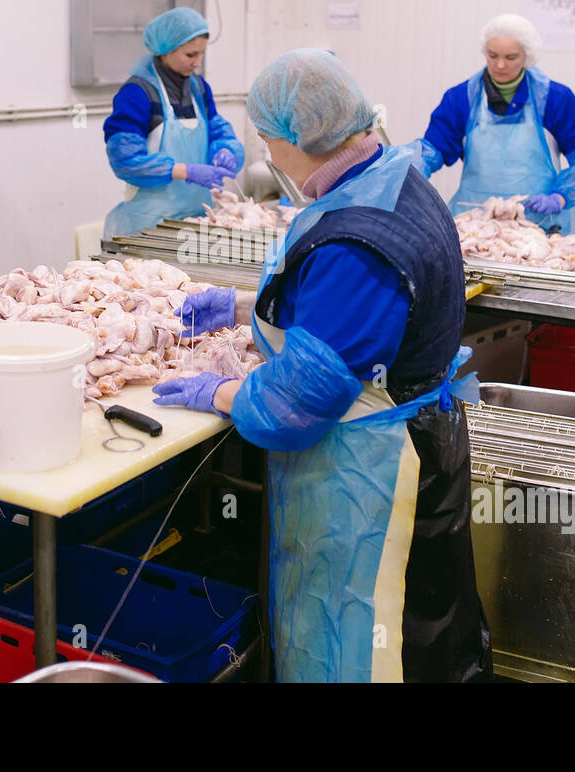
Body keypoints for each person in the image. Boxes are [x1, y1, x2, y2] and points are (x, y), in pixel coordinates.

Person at [152, 49, 491, 683]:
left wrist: (223, 392)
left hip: (368, 472)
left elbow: (294, 406)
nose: (269, 157)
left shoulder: (357, 238)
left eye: (268, 141)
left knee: (357, 645)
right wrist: (247, 304)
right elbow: (348, 318)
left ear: (295, 138)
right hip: (410, 439)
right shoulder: (389, 178)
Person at [412, 13, 575, 233]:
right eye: (492, 55)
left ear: (527, 56)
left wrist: (561, 196)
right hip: (477, 224)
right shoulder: (460, 99)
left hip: (543, 225)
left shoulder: (554, 98)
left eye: (511, 57)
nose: (500, 65)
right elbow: (433, 149)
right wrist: (410, 167)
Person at [102, 6, 245, 238]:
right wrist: (185, 171)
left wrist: (226, 149)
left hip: (196, 219)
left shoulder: (199, 88)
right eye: (190, 55)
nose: (197, 63)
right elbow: (125, 161)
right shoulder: (137, 93)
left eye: (201, 54)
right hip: (148, 224)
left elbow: (219, 132)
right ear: (165, 50)